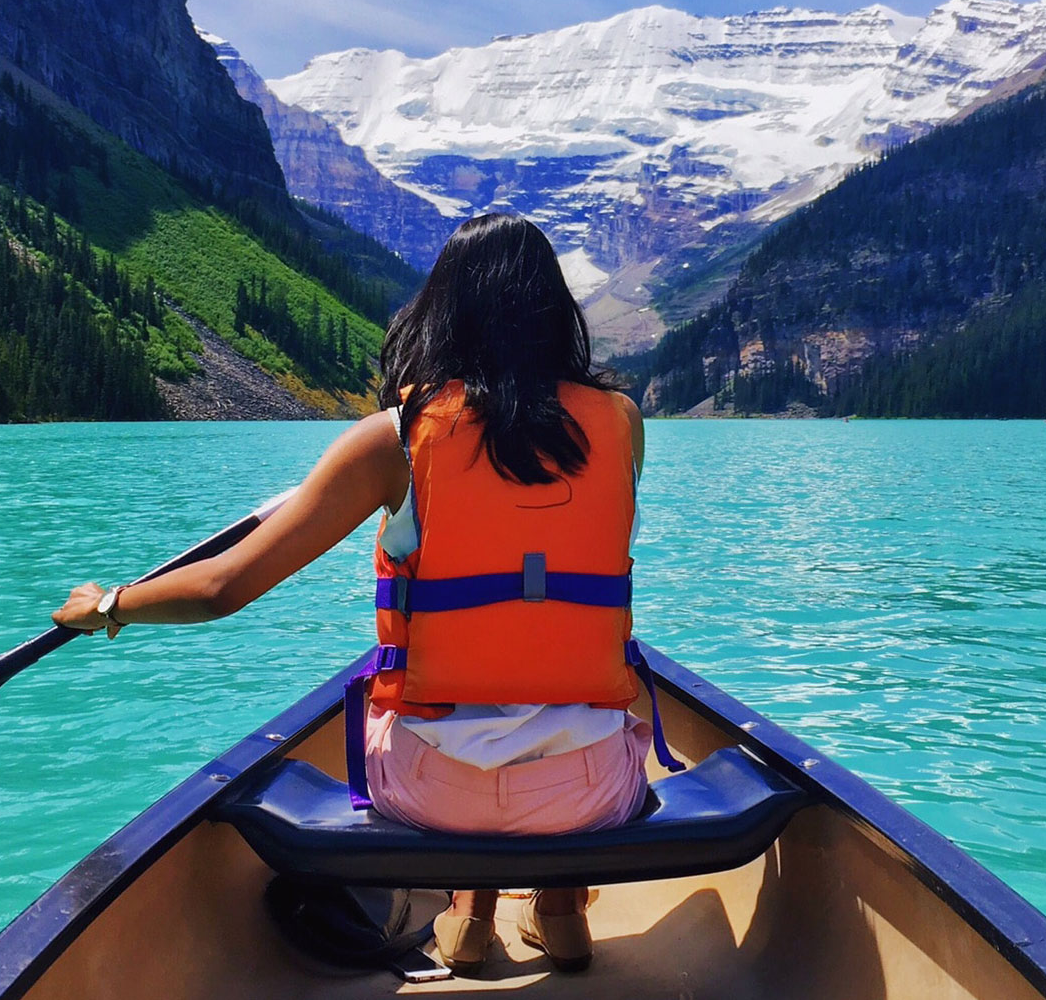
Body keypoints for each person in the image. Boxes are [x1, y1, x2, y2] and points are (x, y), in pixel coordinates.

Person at [52, 214, 659, 976]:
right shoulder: (622, 424)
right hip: (587, 792)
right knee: (586, 713)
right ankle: (563, 910)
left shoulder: (396, 438)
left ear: (444, 309)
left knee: (428, 718)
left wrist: (110, 605)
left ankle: (468, 911)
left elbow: (223, 587)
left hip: (436, 792)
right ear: (553, 312)